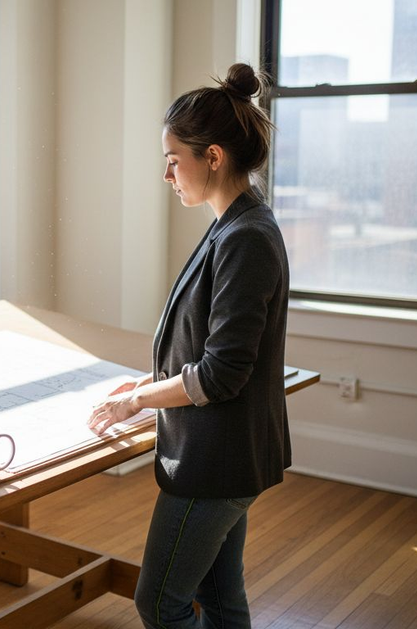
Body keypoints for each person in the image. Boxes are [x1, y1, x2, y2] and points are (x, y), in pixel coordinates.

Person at [87, 62, 290, 629]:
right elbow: (210, 345)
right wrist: (149, 383)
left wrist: (138, 401)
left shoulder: (246, 237)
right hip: (226, 457)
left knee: (159, 603)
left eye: (174, 160)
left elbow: (222, 373)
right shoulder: (237, 223)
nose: (167, 174)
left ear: (214, 157)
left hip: (215, 460)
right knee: (219, 598)